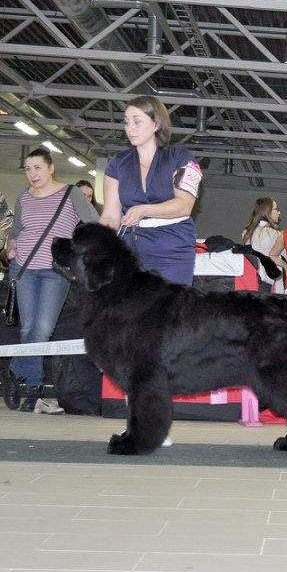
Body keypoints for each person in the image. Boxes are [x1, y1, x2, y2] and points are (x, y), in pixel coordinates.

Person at [3, 148, 98, 411]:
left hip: (54, 271)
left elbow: (94, 223)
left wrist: (79, 252)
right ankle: (33, 386)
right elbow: (18, 229)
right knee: (27, 329)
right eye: (28, 169)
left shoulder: (71, 194)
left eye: (38, 168)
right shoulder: (24, 196)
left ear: (51, 168)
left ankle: (13, 371)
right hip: (23, 267)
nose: (32, 174)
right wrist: (12, 246)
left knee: (42, 329)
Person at [99, 95, 202, 285]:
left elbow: (184, 205)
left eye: (137, 122)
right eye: (126, 122)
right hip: (130, 253)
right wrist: (96, 239)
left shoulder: (181, 158)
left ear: (156, 124)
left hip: (174, 250)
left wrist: (144, 210)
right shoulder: (117, 163)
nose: (130, 128)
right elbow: (110, 216)